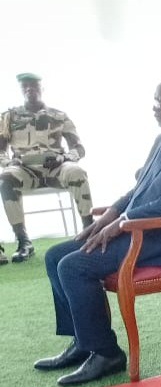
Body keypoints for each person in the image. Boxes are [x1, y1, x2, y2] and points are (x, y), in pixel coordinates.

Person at [36, 77, 161, 385]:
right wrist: (113, 212)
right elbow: (141, 189)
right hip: (143, 226)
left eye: (160, 102)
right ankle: (83, 341)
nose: (154, 108)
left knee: (74, 265)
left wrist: (123, 221)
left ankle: (106, 353)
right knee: (55, 255)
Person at [0, 73, 92, 263]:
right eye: (25, 86)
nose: (29, 89)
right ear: (20, 89)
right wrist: (9, 163)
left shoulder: (59, 116)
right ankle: (23, 241)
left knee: (77, 172)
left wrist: (65, 157)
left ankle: (90, 230)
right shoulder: (9, 117)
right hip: (25, 170)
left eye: (34, 85)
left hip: (55, 168)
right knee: (5, 179)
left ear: (42, 88)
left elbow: (78, 148)